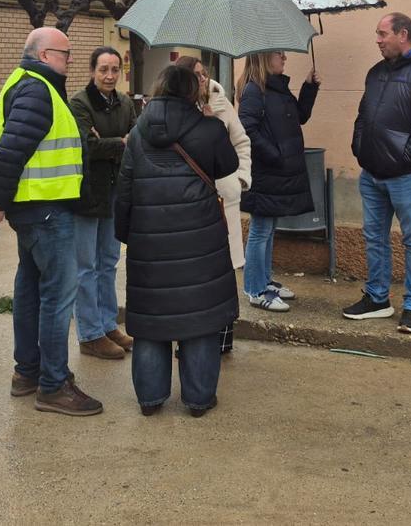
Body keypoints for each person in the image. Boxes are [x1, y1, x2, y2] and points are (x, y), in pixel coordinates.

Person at [0, 26, 102, 416]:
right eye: (65, 53)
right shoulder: (37, 90)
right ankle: (53, 385)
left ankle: (28, 373)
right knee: (57, 297)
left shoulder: (32, 85)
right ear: (43, 55)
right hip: (46, 211)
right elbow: (7, 154)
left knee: (31, 291)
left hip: (35, 209)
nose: (70, 60)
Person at [115, 65, 239, 417]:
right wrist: (216, 122)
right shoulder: (209, 129)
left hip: (148, 241)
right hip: (200, 241)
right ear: (192, 92)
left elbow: (124, 190)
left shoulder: (138, 132)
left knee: (151, 321)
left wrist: (129, 235)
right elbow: (227, 166)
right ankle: (198, 399)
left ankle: (150, 399)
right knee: (199, 319)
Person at [344, 12, 411, 334]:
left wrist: (403, 157)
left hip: (408, 173)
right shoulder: (376, 73)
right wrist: (360, 148)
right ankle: (377, 299)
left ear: (402, 34)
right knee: (374, 237)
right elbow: (363, 115)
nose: (377, 40)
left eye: (382, 34)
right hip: (372, 172)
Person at [175, 56, 252, 353]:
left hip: (224, 199)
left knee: (222, 274)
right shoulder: (176, 111)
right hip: (191, 203)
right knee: (193, 275)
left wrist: (241, 178)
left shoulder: (221, 103)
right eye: (196, 75)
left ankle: (221, 341)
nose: (203, 79)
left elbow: (241, 142)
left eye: (205, 74)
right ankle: (191, 341)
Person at [237, 50, 319, 312]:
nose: (284, 59)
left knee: (269, 230)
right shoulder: (254, 91)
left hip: (277, 173)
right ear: (263, 59)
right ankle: (254, 289)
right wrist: (275, 154)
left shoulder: (278, 88)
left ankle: (265, 281)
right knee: (260, 231)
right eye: (279, 55)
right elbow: (246, 128)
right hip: (265, 173)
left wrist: (309, 87)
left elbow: (300, 116)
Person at [68, 46, 137, 361]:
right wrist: (119, 142)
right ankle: (90, 333)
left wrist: (114, 144)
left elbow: (136, 140)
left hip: (114, 190)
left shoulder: (125, 103)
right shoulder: (79, 103)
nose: (109, 76)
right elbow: (87, 146)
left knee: (108, 262)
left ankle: (109, 324)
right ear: (92, 71)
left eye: (114, 70)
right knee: (86, 267)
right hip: (86, 193)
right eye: (103, 70)